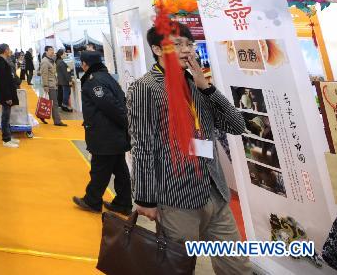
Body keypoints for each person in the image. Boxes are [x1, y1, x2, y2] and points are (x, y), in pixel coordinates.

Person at [128, 22, 249, 274]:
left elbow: (237, 126)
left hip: (215, 192)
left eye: (189, 44)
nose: (186, 50)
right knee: (178, 267)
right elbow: (142, 145)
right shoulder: (145, 87)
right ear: (157, 49)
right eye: (177, 44)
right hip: (177, 197)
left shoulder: (196, 84)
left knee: (236, 266)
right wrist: (144, 198)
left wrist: (207, 88)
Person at [72, 51, 132, 215]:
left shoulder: (94, 81)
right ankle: (123, 203)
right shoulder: (107, 77)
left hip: (105, 134)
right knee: (120, 170)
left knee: (100, 168)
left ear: (85, 64)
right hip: (114, 134)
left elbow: (110, 106)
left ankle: (92, 201)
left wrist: (126, 123)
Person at [0, 43, 20, 148]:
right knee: (5, 116)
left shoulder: (3, 61)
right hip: (5, 94)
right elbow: (3, 81)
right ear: (5, 50)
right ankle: (6, 139)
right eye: (9, 49)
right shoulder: (1, 63)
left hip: (6, 92)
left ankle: (8, 136)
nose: (10, 51)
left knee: (7, 116)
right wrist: (8, 97)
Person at [39, 46, 67, 127]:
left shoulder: (51, 60)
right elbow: (44, 74)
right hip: (50, 85)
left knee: (49, 103)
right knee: (54, 103)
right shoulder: (45, 61)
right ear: (46, 51)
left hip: (53, 84)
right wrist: (45, 86)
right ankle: (57, 121)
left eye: (53, 50)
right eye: (50, 50)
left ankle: (42, 115)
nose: (52, 51)